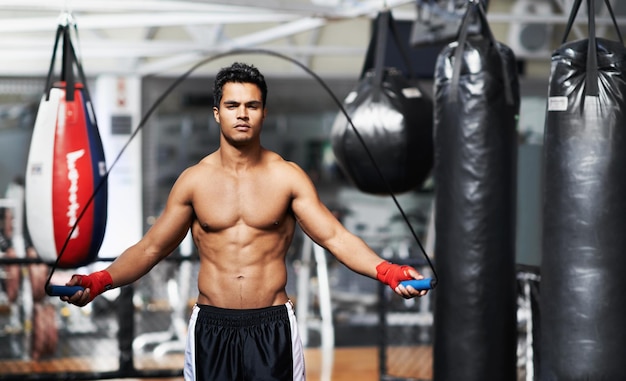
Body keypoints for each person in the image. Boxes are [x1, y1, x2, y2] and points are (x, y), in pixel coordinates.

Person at [61, 62, 428, 380]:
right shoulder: (194, 181)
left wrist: (388, 272)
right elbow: (152, 247)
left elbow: (334, 236)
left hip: (272, 327)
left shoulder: (287, 177)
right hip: (211, 326)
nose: (242, 114)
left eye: (252, 105)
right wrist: (98, 281)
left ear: (264, 112)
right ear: (217, 112)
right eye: (232, 105)